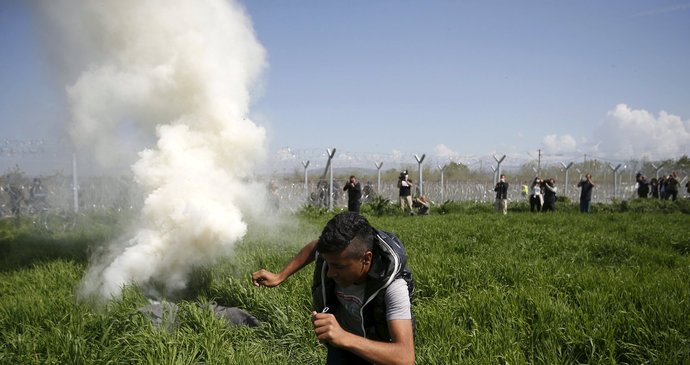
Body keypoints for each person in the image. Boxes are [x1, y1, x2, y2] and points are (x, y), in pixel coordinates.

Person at [251, 212, 415, 365]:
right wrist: (280, 276)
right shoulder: (337, 255)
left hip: (377, 351)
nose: (330, 273)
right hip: (342, 345)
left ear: (366, 259)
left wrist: (343, 337)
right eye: (328, 263)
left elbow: (405, 357)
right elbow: (316, 247)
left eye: (338, 266)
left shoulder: (393, 287)